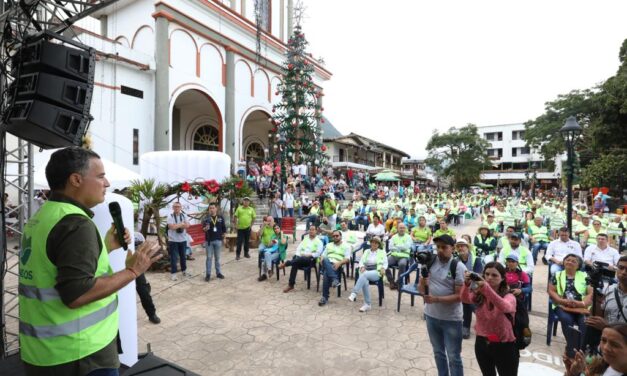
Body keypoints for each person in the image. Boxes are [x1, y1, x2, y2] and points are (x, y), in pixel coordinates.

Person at [19, 147, 161, 376]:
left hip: (45, 354)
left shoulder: (44, 216)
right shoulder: (75, 224)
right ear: (76, 179)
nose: (106, 183)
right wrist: (133, 271)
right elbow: (77, 294)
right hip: (80, 355)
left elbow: (58, 267)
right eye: (101, 176)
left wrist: (104, 246)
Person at [418, 234, 467, 376]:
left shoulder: (458, 267)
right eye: (438, 247)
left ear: (452, 248)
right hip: (431, 316)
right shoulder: (430, 262)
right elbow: (420, 290)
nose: (440, 250)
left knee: (453, 357)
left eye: (444, 247)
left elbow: (459, 296)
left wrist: (436, 299)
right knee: (438, 353)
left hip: (451, 319)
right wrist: (423, 282)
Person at [461, 262, 518, 376]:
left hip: (504, 345)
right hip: (482, 342)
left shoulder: (509, 296)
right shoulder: (479, 293)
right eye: (486, 274)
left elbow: (505, 306)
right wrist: (466, 285)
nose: (489, 278)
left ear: (502, 278)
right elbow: (465, 299)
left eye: (494, 275)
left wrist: (486, 288)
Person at [548, 253, 593, 355]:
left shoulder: (585, 276)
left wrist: (581, 303)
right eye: (567, 260)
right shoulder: (557, 274)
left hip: (581, 306)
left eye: (574, 261)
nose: (570, 262)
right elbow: (551, 291)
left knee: (585, 321)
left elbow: (591, 293)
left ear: (578, 265)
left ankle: (581, 349)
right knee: (566, 319)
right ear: (563, 262)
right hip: (562, 305)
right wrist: (561, 301)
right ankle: (572, 348)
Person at [586, 256, 627, 331]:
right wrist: (597, 302)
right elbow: (597, 316)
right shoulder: (608, 290)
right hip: (605, 339)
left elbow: (604, 326)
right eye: (621, 268)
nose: (624, 272)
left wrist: (607, 327)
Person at [348, 236, 388, 312]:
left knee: (364, 275)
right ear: (371, 243)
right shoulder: (367, 251)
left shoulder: (382, 252)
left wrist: (383, 268)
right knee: (365, 280)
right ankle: (367, 304)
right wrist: (362, 266)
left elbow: (385, 263)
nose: (374, 244)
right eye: (373, 242)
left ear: (379, 244)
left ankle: (354, 293)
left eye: (376, 243)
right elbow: (361, 261)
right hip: (365, 270)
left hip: (376, 271)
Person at [282, 225, 324, 293]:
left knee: (297, 260)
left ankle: (287, 263)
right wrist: (298, 255)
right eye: (310, 229)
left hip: (311, 260)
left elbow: (318, 253)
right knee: (295, 261)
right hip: (301, 258)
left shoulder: (319, 242)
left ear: (316, 231)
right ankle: (291, 285)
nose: (311, 231)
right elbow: (299, 248)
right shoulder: (305, 239)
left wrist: (309, 255)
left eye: (313, 230)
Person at [456, 239, 483, 340]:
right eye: (458, 246)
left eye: (463, 246)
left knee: (468, 302)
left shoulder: (476, 259)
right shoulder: (455, 259)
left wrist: (468, 277)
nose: (460, 248)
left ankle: (468, 326)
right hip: (461, 287)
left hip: (475, 287)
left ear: (468, 247)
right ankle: (466, 326)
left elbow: (479, 275)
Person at [133, 233, 161, 324]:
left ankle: (152, 314)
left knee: (144, 291)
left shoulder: (138, 235)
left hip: (136, 267)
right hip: (123, 267)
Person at [318, 230, 350, 306]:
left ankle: (325, 297)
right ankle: (335, 279)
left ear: (341, 236)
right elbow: (323, 255)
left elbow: (347, 259)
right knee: (325, 260)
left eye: (337, 236)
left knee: (326, 273)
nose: (335, 237)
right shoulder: (329, 245)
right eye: (333, 236)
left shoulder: (346, 246)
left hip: (338, 265)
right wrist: (321, 258)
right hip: (327, 263)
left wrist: (339, 263)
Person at [202, 203, 226, 282]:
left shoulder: (220, 217)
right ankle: (208, 274)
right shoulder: (206, 218)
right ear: (209, 209)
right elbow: (203, 229)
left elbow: (224, 229)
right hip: (209, 241)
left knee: (217, 258)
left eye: (213, 208)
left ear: (216, 209)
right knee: (209, 258)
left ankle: (218, 273)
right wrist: (205, 228)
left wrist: (224, 238)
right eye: (210, 208)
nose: (211, 209)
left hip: (218, 240)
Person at [167, 202, 191, 281]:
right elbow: (171, 227)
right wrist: (181, 224)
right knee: (174, 258)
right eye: (175, 207)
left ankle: (184, 271)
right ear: (173, 208)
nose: (177, 208)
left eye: (178, 207)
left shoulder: (184, 215)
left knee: (183, 257)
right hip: (173, 240)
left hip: (183, 240)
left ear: (181, 208)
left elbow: (187, 225)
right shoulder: (170, 216)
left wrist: (177, 225)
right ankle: (173, 274)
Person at [386, 223, 413, 290]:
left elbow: (407, 246)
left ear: (405, 229)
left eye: (403, 228)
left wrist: (396, 246)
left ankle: (399, 282)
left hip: (404, 256)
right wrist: (401, 247)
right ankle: (391, 281)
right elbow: (390, 247)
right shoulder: (394, 237)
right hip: (394, 256)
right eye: (400, 228)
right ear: (397, 229)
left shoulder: (408, 237)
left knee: (402, 264)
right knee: (384, 263)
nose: (402, 229)